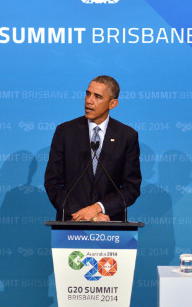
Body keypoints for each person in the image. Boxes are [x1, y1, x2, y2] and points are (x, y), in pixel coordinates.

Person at [44, 76, 141, 222]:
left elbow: (131, 188)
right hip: (71, 223)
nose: (89, 100)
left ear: (112, 103)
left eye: (97, 96)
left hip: (110, 222)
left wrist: (98, 208)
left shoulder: (126, 136)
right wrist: (81, 214)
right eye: (88, 94)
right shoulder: (65, 132)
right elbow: (53, 183)